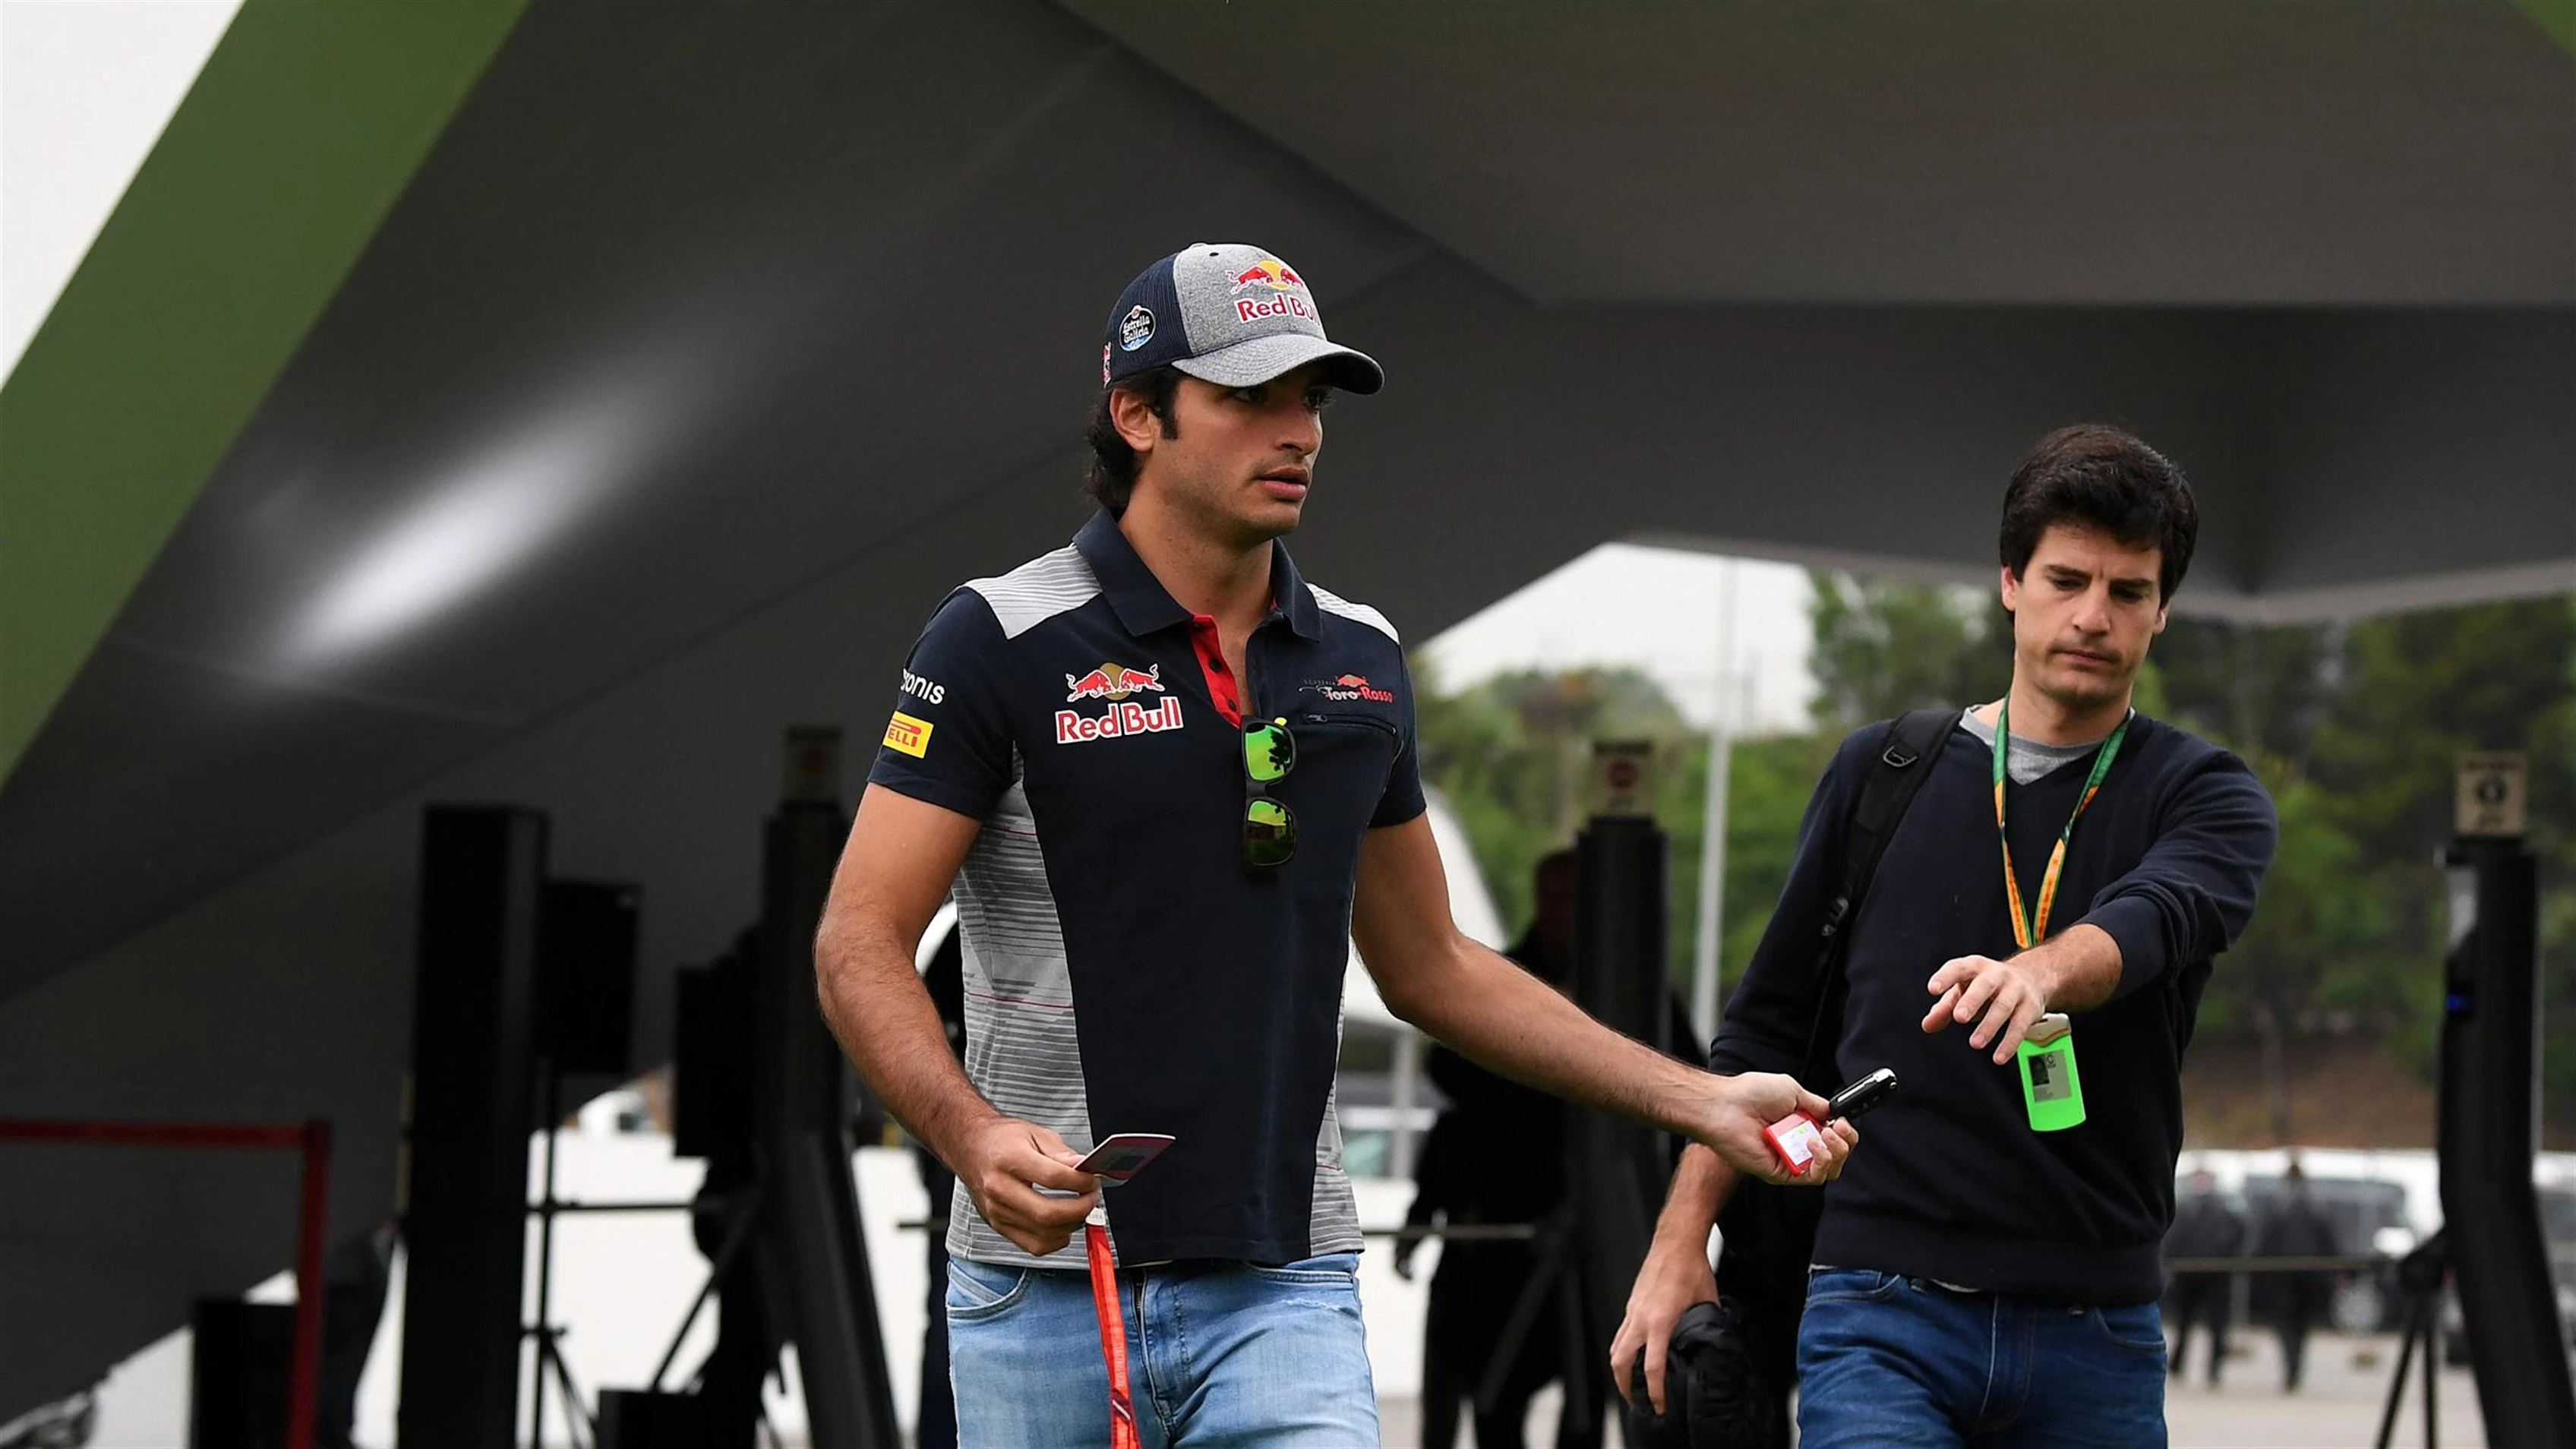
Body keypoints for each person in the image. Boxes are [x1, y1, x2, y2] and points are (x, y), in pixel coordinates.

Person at [813, 242, 1857, 1449]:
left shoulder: (1361, 657)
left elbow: (1433, 968)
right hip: (1042, 1291)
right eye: (1251, 396)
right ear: (1138, 415)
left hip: (1289, 1287)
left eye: (1310, 397)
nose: (1299, 431)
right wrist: (971, 1135)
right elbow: (857, 942)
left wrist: (1704, 1101)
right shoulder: (996, 636)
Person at [1610, 424, 2278, 1447]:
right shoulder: (1882, 772)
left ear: (2162, 610)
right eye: (2065, 580)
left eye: (2127, 591)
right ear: (2010, 582)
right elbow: (1763, 1033)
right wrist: (1676, 1243)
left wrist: (2041, 973)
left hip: (2096, 1327)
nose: (2092, 615)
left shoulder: (2204, 792)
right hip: (1879, 1309)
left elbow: (2161, 913)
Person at [1399, 851, 1699, 1449]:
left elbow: (1686, 1086)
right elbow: (1451, 1083)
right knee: (1494, 1396)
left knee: (1592, 1397)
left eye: (1574, 900)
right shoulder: (1501, 980)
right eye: (1555, 899)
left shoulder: (1634, 994)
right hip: (1503, 1235)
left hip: (1599, 1236)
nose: (1564, 913)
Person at [2252, 1162, 2338, 1392]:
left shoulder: (2278, 1206)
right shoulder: (2315, 1205)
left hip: (2282, 1275)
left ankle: (2292, 1367)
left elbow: (2264, 1241)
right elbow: (2329, 1241)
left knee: (2285, 1323)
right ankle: (2295, 1367)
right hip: (2309, 1274)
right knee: (2301, 1325)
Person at [2162, 1169, 2244, 1387]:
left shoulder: (2218, 1208)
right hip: (2196, 1273)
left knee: (2208, 1324)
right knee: (2188, 1322)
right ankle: (2185, 1365)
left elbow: (2239, 1234)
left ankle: (2208, 1367)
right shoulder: (2189, 1207)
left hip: (2209, 1274)